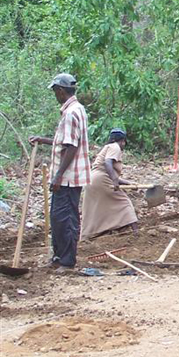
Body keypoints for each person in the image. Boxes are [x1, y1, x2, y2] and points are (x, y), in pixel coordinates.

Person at [29, 73, 90, 272]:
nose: (55, 95)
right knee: (58, 217)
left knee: (65, 219)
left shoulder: (71, 113)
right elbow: (65, 141)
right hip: (68, 176)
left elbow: (71, 147)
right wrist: (43, 139)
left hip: (68, 178)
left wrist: (58, 176)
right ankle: (59, 256)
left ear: (61, 91)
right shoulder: (76, 109)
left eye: (55, 91)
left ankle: (67, 261)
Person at [81, 128, 138, 239]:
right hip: (102, 180)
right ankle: (136, 233)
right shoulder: (115, 147)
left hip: (92, 179)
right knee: (124, 202)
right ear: (122, 141)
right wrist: (115, 181)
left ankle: (88, 235)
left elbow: (107, 170)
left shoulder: (107, 147)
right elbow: (108, 163)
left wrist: (127, 183)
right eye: (124, 142)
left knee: (95, 208)